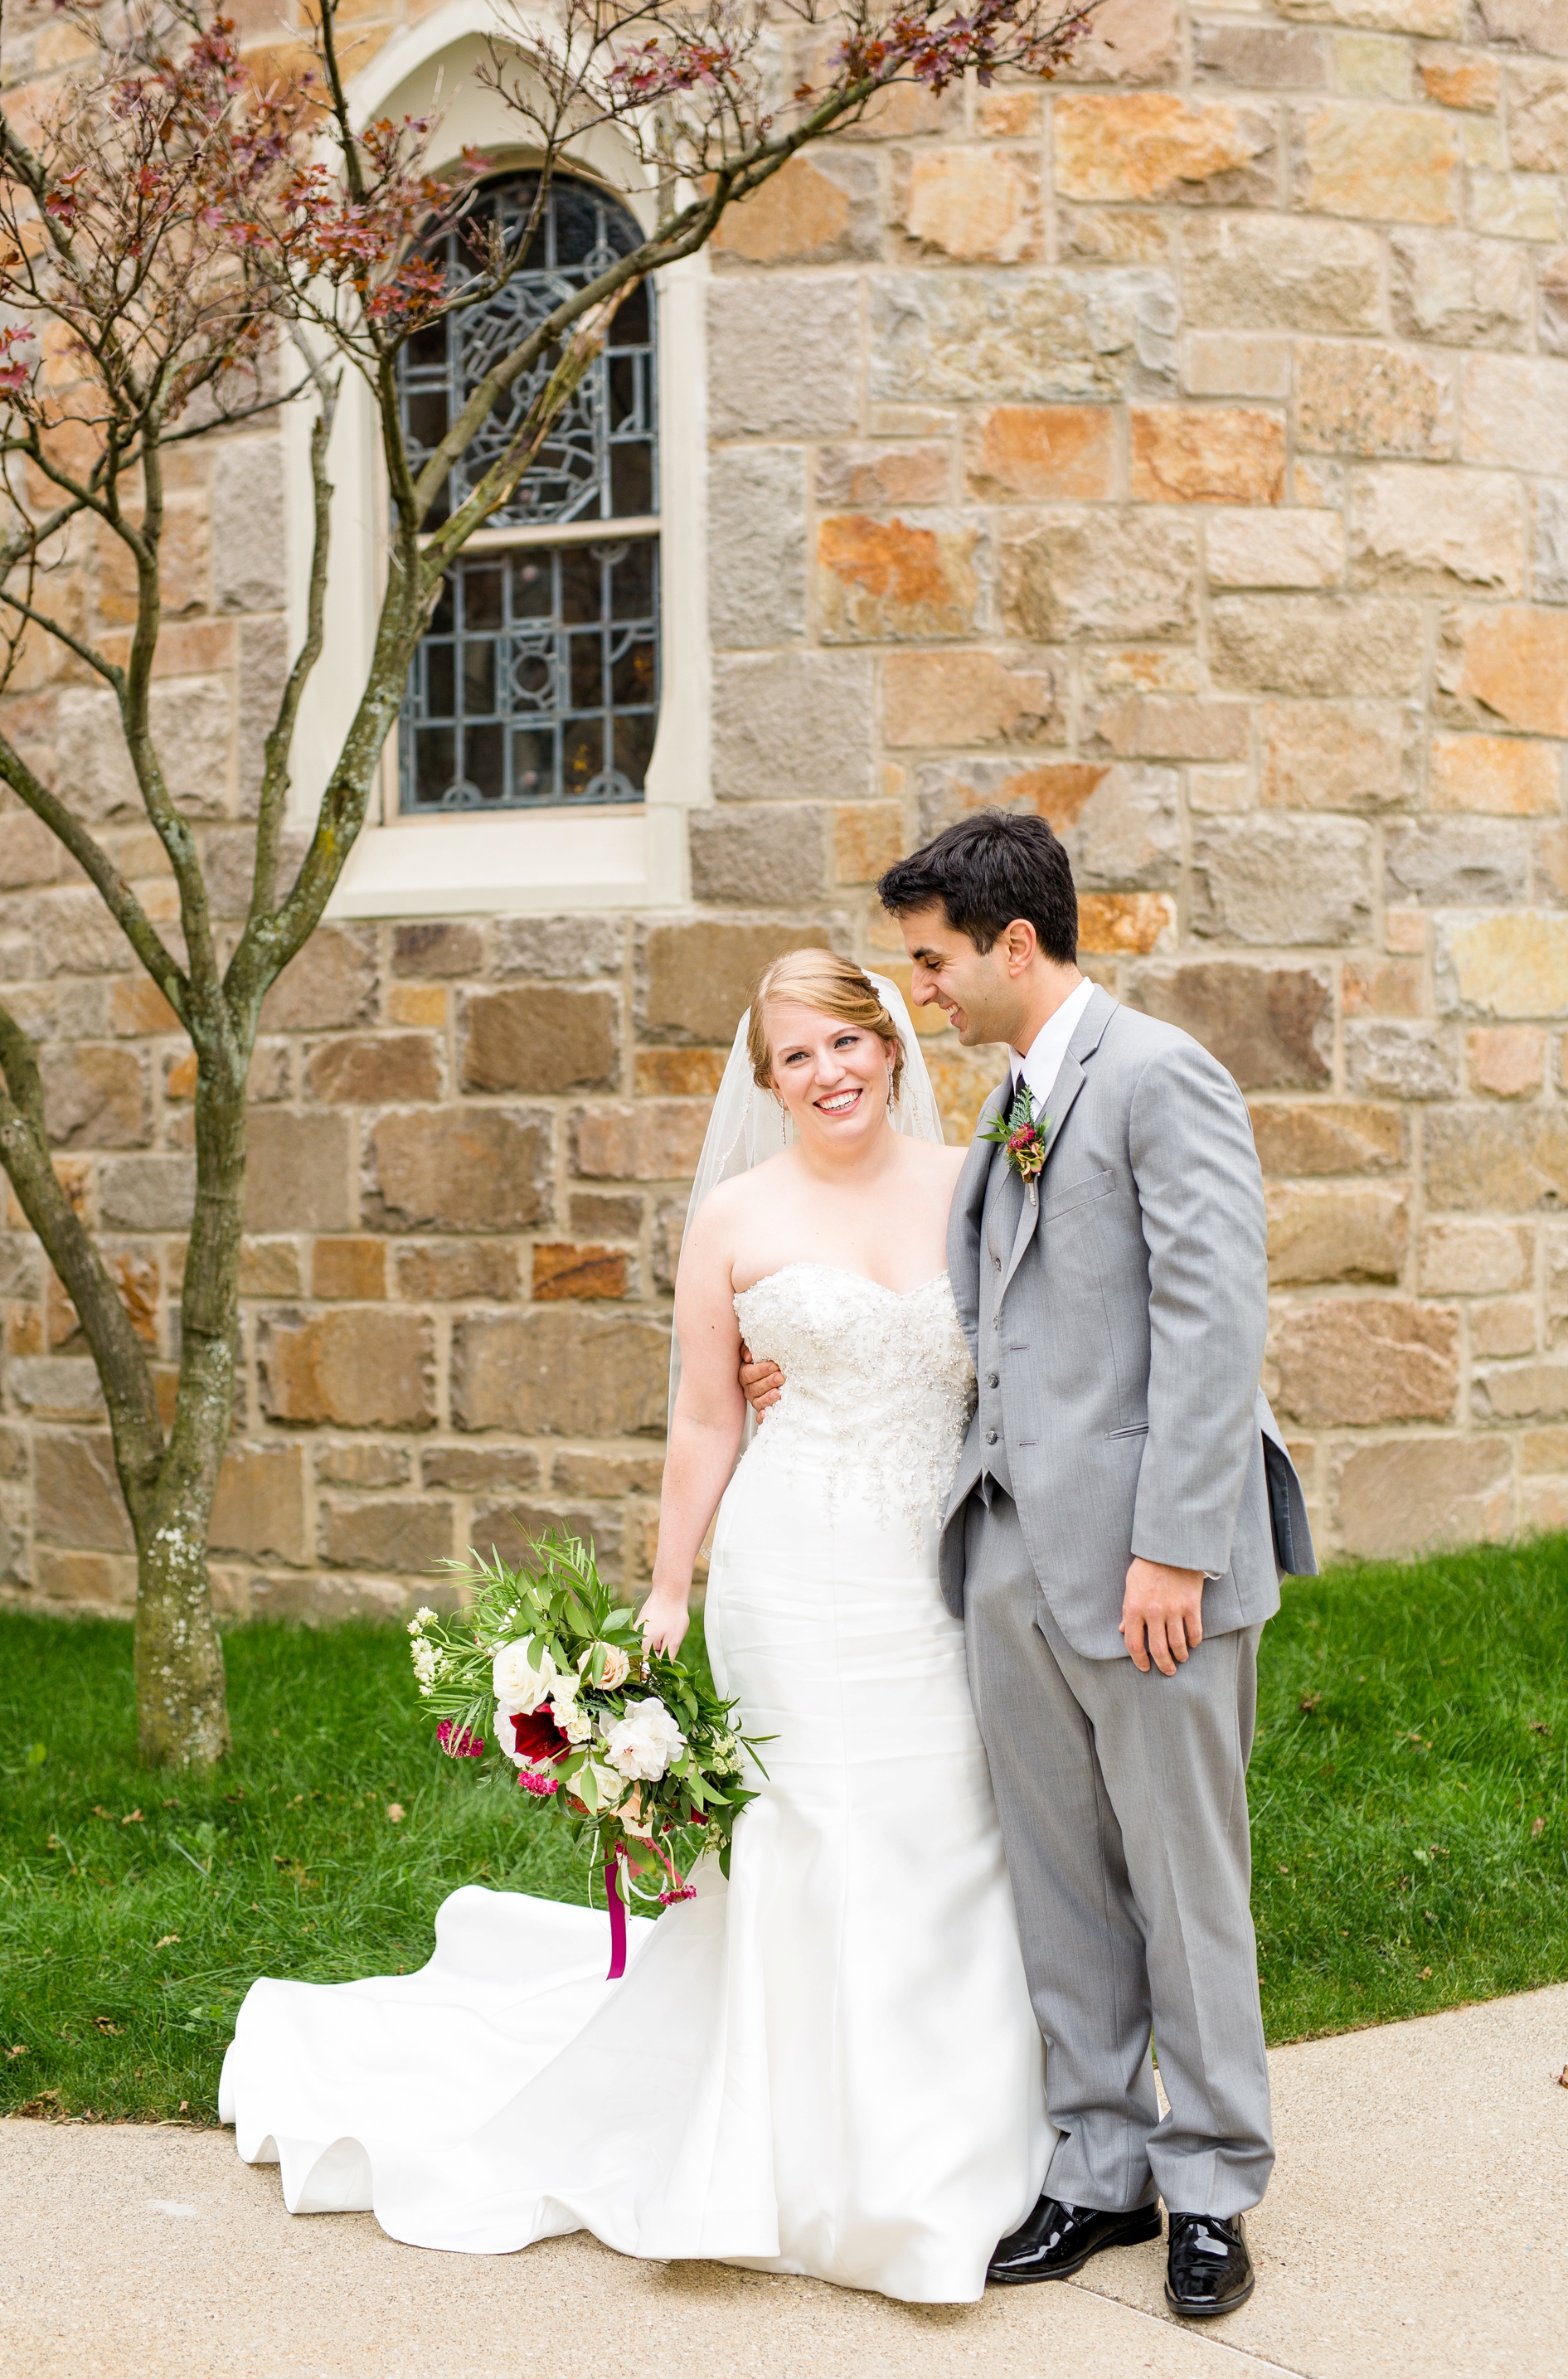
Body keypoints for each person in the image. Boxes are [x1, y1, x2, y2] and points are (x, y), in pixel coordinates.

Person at [220, 947, 1053, 2303]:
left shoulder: (975, 1193)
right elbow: (707, 1414)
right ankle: (808, 2157)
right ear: (766, 1077)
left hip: (944, 1566)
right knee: (822, 1825)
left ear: (893, 1047)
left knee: (952, 1826)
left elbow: (1027, 1364)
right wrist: (670, 1588)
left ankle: (958, 2147)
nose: (828, 1074)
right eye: (796, 1057)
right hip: (793, 1569)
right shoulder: (733, 1216)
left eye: (848, 1045)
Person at [742, 813, 1315, 2320]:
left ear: (1012, 944)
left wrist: (1177, 1548)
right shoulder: (1009, 1100)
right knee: (1061, 1884)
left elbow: (1213, 1320)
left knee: (1185, 1879)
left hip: (1148, 1572)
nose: (914, 989)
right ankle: (1100, 2164)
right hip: (1003, 1557)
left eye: (930, 960)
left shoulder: (1158, 1076)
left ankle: (1210, 2180)